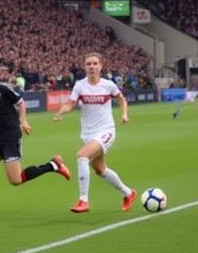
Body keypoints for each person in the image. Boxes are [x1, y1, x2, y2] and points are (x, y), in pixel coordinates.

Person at [0, 60, 69, 218]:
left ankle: (52, 165)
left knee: (15, 180)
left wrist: (24, 121)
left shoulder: (3, 89)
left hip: (11, 136)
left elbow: (21, 104)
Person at [52, 53, 136, 214]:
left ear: (101, 66)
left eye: (95, 63)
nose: (91, 67)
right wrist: (61, 112)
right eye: (88, 64)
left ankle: (83, 200)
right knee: (100, 170)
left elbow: (121, 99)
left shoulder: (108, 85)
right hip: (88, 134)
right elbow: (70, 103)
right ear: (85, 67)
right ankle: (128, 193)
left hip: (106, 131)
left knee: (81, 155)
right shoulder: (80, 85)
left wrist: (124, 114)